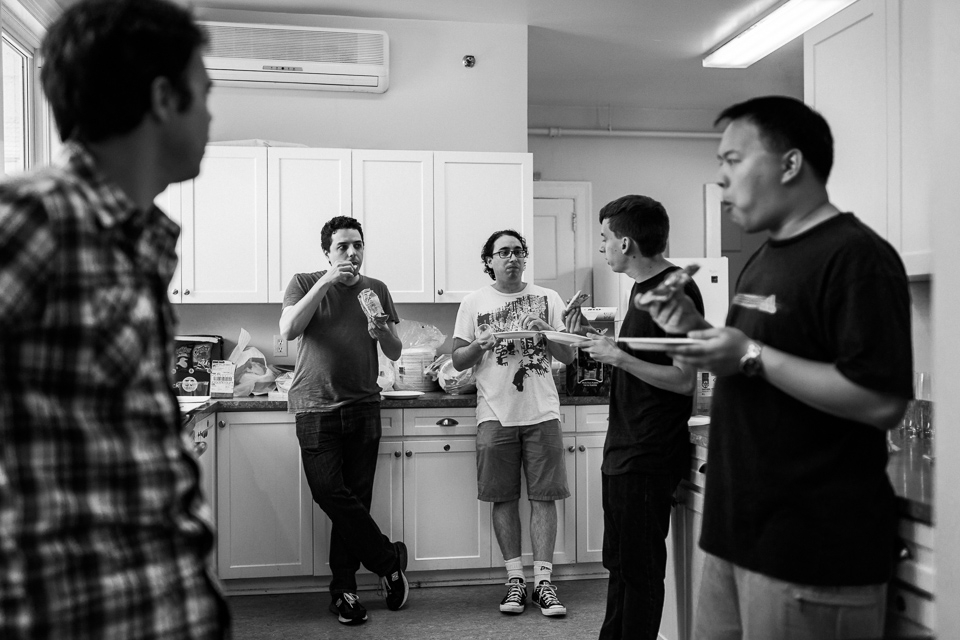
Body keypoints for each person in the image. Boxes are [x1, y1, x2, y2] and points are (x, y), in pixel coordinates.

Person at [641, 96, 913, 640]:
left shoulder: (857, 257)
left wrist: (747, 354)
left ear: (790, 164)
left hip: (810, 547)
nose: (721, 178)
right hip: (735, 534)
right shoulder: (765, 258)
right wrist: (693, 327)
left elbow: (882, 400)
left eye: (734, 159)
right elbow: (751, 357)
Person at [0, 1, 227, 638]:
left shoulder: (134, 242)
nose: (211, 113)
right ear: (163, 97)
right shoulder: (37, 218)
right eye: (204, 93)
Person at [564, 195, 704, 640]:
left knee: (640, 572)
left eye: (604, 238)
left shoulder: (675, 288)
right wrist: (589, 339)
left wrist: (617, 358)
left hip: (648, 451)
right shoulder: (641, 290)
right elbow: (642, 355)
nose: (601, 247)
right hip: (626, 448)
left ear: (626, 243)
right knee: (620, 565)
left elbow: (684, 379)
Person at [279, 215, 408, 626]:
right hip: (314, 406)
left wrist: (380, 328)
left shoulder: (378, 290)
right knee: (330, 493)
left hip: (364, 406)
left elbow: (394, 351)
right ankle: (388, 559)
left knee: (354, 500)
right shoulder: (304, 282)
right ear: (327, 253)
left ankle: (345, 592)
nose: (352, 253)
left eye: (358, 245)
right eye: (342, 247)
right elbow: (289, 328)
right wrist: (327, 282)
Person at [451, 229, 576, 618]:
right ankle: (514, 581)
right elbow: (458, 360)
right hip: (495, 413)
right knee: (502, 496)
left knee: (544, 497)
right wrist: (480, 345)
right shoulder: (474, 303)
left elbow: (568, 356)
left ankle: (544, 583)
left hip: (542, 412)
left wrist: (545, 330)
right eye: (503, 252)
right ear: (488, 260)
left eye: (518, 251)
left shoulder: (548, 299)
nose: (512, 258)